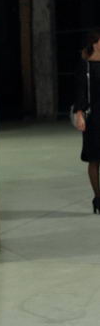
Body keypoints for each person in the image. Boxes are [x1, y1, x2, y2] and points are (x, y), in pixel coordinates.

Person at [73, 29, 100, 213]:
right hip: (94, 116)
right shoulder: (86, 65)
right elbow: (80, 90)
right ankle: (98, 198)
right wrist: (79, 113)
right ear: (95, 43)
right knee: (94, 158)